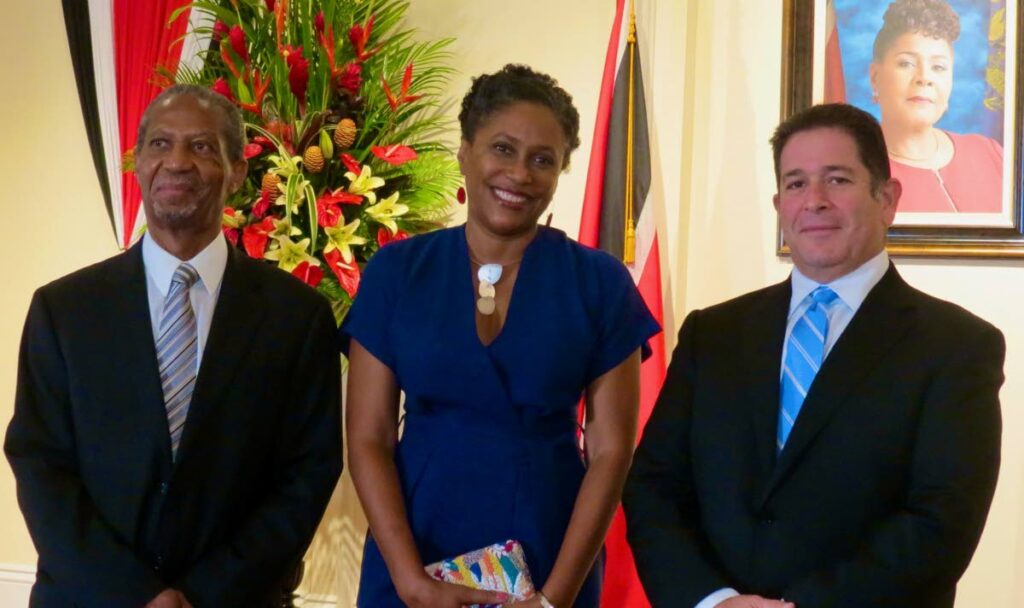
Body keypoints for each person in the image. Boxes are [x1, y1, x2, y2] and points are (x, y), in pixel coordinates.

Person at [623, 103, 1003, 608]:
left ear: (887, 199)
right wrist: (713, 600)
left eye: (838, 180)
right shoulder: (711, 335)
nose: (815, 201)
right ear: (779, 204)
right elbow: (654, 488)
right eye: (797, 184)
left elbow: (941, 522)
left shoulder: (957, 346)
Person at [5, 84, 342, 607]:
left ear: (236, 172)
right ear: (139, 163)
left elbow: (307, 474)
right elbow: (40, 463)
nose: (177, 162)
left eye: (202, 147)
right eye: (160, 144)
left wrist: (200, 595)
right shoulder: (64, 310)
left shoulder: (296, 318)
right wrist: (139, 595)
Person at [343, 64, 660, 608]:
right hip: (414, 547)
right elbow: (368, 437)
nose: (520, 174)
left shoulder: (600, 283)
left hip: (550, 549)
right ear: (465, 151)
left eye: (544, 160)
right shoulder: (397, 272)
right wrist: (410, 580)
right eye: (503, 149)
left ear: (562, 170)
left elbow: (611, 452)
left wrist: (556, 598)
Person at [869, 0, 1003, 213]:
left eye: (938, 67)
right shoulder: (857, 173)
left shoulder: (991, 154)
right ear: (875, 77)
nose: (924, 78)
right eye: (906, 63)